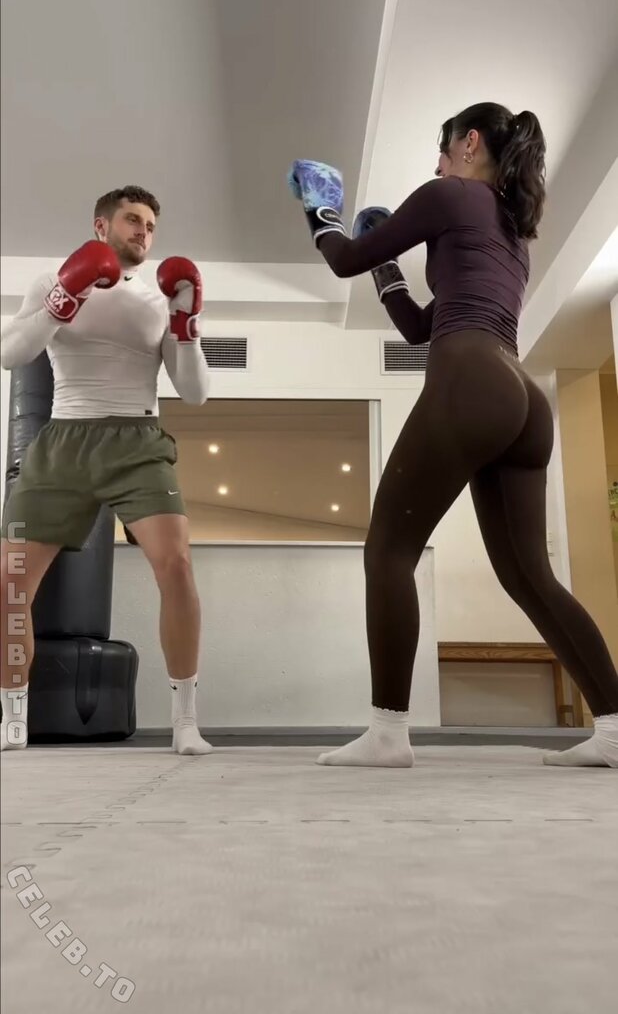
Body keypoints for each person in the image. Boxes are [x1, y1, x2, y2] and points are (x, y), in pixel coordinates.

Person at [289, 102, 618, 769]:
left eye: (442, 153)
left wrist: (321, 211)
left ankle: (387, 733)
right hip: (522, 399)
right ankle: (615, 728)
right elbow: (418, 327)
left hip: (472, 380)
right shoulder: (511, 235)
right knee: (530, 576)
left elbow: (343, 259)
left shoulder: (449, 195)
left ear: (468, 144)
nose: (436, 167)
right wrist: (389, 270)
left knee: (388, 551)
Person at [0, 185, 212, 756]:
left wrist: (186, 325)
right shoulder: (51, 278)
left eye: (151, 225)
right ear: (101, 226)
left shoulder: (159, 298)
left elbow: (194, 393)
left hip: (137, 440)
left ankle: (186, 721)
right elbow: (10, 353)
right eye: (133, 220)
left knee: (177, 566)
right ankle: (12, 719)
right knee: (9, 583)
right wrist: (59, 301)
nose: (144, 232)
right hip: (63, 440)